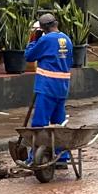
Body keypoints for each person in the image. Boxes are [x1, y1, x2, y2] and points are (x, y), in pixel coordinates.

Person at [24, 12, 73, 160]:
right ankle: (62, 157)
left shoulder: (46, 40)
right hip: (62, 87)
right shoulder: (67, 39)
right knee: (58, 123)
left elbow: (29, 56)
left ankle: (35, 158)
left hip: (47, 86)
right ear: (56, 24)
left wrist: (33, 40)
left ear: (43, 28)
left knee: (40, 123)